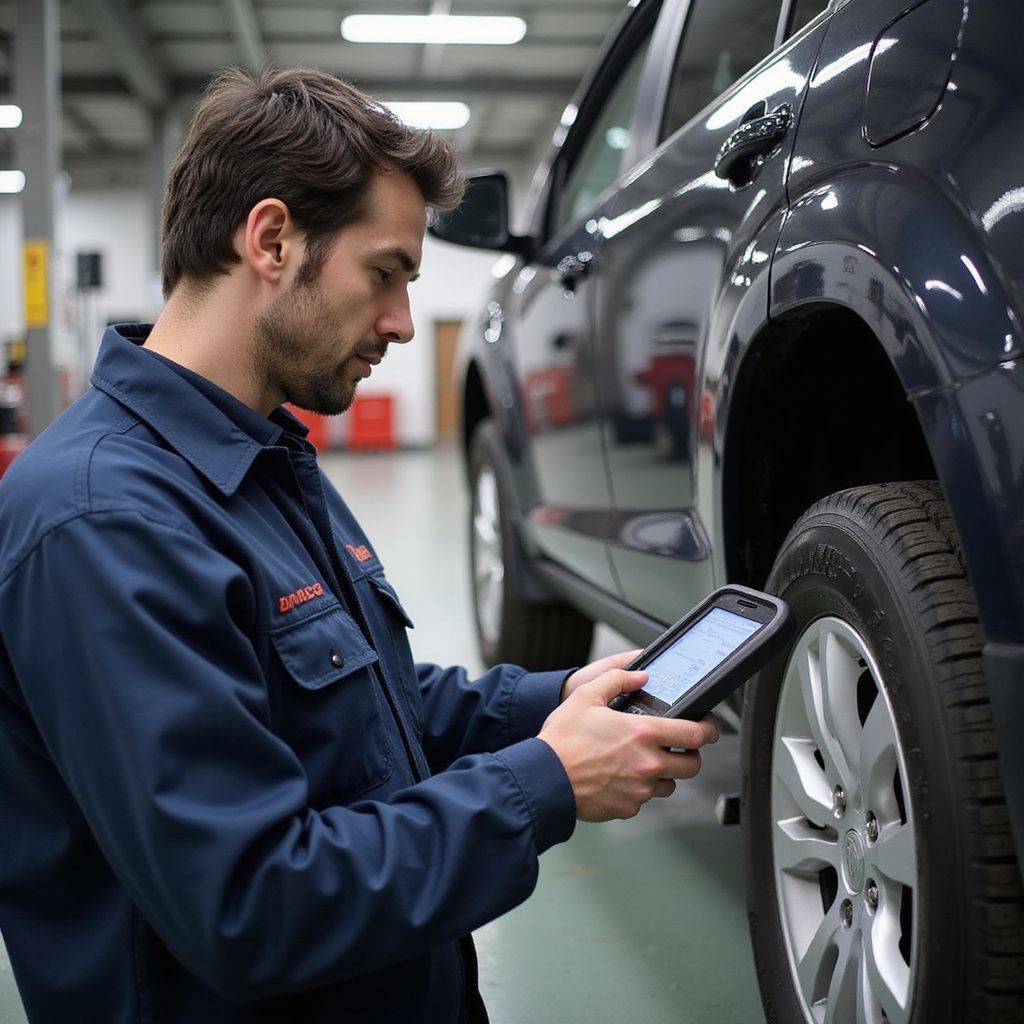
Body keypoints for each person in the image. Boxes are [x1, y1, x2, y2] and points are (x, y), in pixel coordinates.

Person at [0, 68, 719, 1023]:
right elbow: (251, 906)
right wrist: (545, 782)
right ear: (270, 239)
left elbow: (357, 704)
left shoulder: (261, 456)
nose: (403, 323)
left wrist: (557, 703)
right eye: (385, 273)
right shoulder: (104, 521)